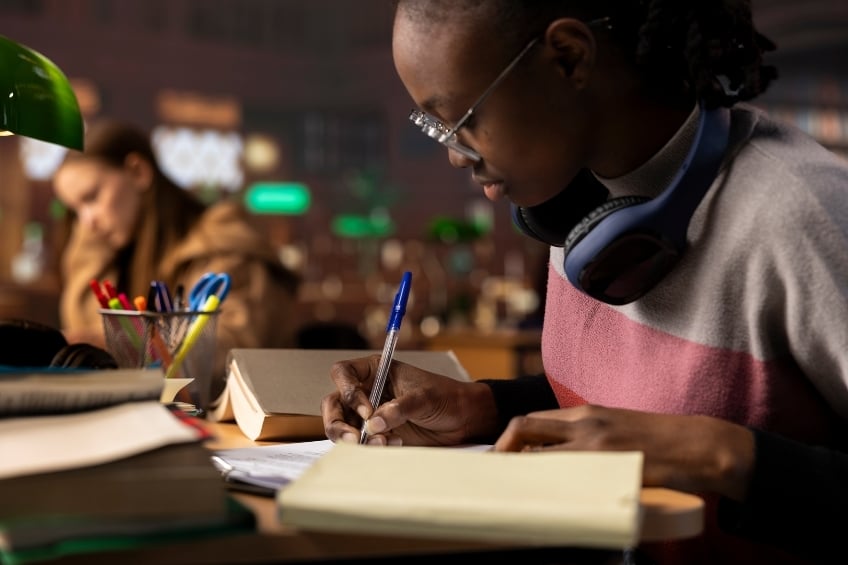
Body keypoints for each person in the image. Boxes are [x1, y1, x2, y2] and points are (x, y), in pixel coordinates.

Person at [321, 1, 848, 563]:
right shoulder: (581, 208)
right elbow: (624, 401)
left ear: (569, 58)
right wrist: (484, 407)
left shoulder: (802, 212)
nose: (456, 156)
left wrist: (720, 454)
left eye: (462, 119)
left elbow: (688, 425)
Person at [52, 119, 300, 399]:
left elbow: (229, 352)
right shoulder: (120, 252)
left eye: (91, 198)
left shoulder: (221, 243)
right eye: (75, 211)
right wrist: (91, 248)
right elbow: (84, 338)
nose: (87, 222)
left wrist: (123, 344)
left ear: (138, 172)